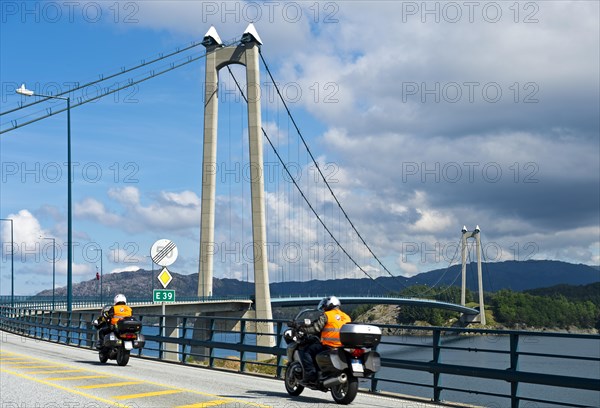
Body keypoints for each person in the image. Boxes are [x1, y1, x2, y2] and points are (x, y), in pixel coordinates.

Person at [300, 295, 351, 384]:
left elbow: (316, 328)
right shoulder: (347, 317)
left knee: (307, 351)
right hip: (343, 346)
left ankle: (311, 376)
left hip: (329, 345)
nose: (324, 308)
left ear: (329, 305)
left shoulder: (327, 315)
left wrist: (301, 328)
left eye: (325, 305)